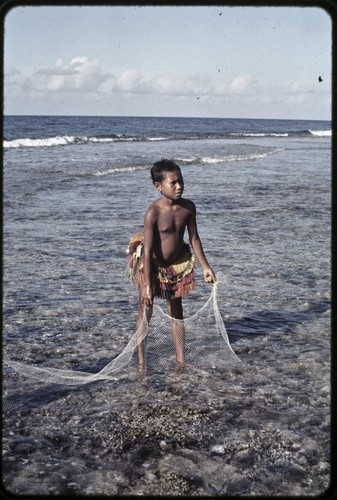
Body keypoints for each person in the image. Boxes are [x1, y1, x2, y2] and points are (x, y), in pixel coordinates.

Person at [126, 159, 216, 371]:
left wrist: (205, 267)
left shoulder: (188, 207)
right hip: (151, 263)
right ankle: (141, 361)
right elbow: (147, 251)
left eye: (181, 181)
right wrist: (147, 284)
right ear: (158, 186)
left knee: (176, 310)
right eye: (173, 183)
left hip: (175, 263)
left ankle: (181, 359)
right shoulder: (153, 213)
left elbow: (194, 238)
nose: (179, 186)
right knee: (145, 309)